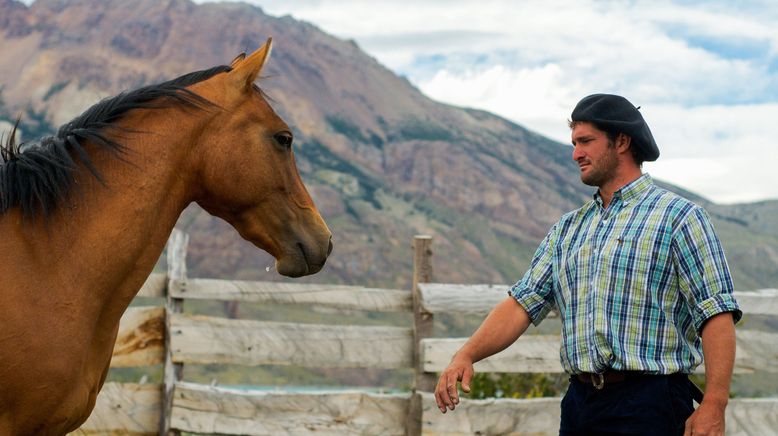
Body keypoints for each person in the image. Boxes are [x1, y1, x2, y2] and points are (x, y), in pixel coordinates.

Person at [434, 94, 742, 436]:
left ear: (622, 141)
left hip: (651, 403)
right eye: (574, 143)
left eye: (586, 142)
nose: (575, 153)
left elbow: (715, 312)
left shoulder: (680, 217)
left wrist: (715, 402)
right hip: (580, 403)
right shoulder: (567, 229)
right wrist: (466, 355)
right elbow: (522, 304)